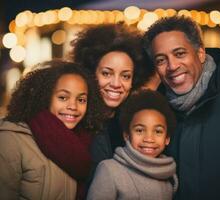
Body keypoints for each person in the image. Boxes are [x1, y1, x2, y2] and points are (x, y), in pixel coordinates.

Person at [143, 16, 220, 200]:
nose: (172, 66)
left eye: (179, 54)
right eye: (161, 60)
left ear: (200, 53)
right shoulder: (157, 111)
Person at [0, 60, 106, 200]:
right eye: (63, 97)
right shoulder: (11, 139)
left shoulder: (85, 140)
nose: (73, 106)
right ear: (45, 98)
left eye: (81, 100)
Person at [71, 23, 154, 174]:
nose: (116, 84)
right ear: (91, 73)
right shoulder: (74, 119)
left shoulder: (133, 124)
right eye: (107, 73)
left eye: (125, 76)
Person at [87, 90, 178, 200]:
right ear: (126, 135)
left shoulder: (168, 175)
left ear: (167, 138)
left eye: (158, 131)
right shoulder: (109, 170)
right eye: (140, 130)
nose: (149, 139)